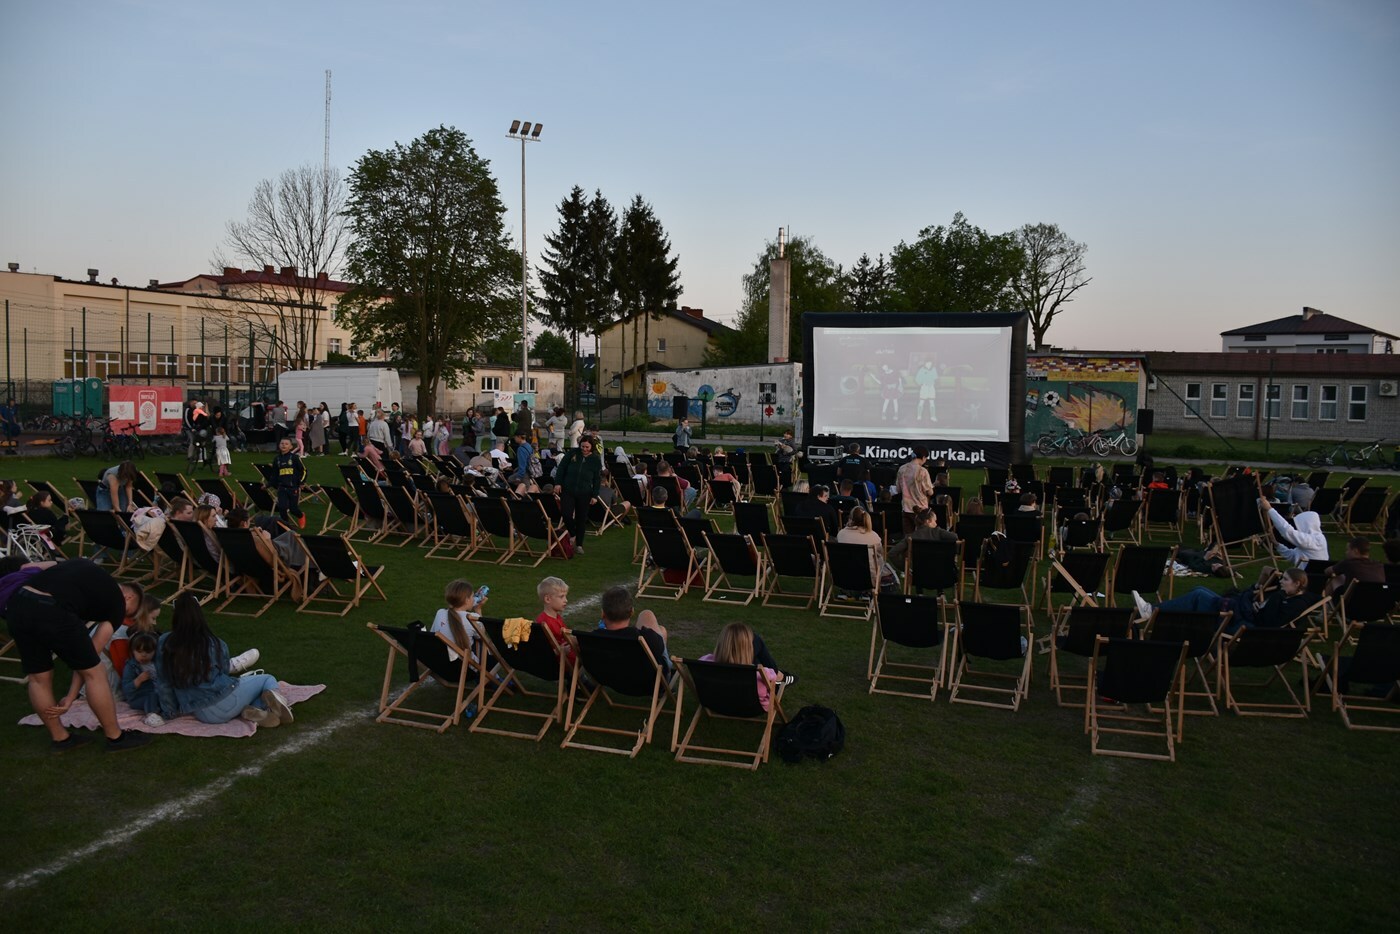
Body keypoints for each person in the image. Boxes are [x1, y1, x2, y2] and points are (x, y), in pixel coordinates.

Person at [6, 557, 151, 751]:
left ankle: (60, 739)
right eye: (129, 613)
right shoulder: (117, 604)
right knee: (95, 673)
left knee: (38, 678)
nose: (124, 617)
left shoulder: (82, 564)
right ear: (129, 598)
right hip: (52, 608)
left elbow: (31, 566)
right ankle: (116, 738)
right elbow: (91, 658)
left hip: (18, 603)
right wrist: (71, 695)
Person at [155, 594, 293, 727]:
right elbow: (224, 671)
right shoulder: (214, 643)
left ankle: (255, 711)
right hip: (227, 700)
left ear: (175, 616)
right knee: (267, 679)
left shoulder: (164, 643)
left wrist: (170, 712)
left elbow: (163, 683)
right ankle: (274, 703)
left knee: (252, 690)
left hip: (203, 714)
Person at [1134, 567, 1315, 634]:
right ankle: (1162, 614)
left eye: (1285, 580)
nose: (1281, 582)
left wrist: (1263, 605)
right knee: (1199, 589)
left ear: (1297, 584)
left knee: (1199, 596)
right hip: (1246, 617)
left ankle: (1152, 611)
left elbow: (1269, 621)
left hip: (1245, 628)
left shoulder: (1292, 603)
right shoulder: (1288, 597)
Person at [700, 622, 795, 710]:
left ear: (721, 643)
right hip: (752, 707)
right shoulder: (760, 672)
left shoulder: (704, 662)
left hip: (715, 702)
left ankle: (787, 678)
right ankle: (787, 678)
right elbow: (774, 674)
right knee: (778, 679)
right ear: (750, 648)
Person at [596, 585, 672, 675]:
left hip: (610, 678)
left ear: (602, 614)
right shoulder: (644, 637)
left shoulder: (592, 639)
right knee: (648, 616)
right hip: (647, 682)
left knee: (661, 630)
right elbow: (659, 650)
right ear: (632, 612)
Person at [555, 437, 602, 554]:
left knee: (581, 518)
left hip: (585, 493)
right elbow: (561, 468)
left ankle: (579, 544)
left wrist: (595, 495)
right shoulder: (572, 453)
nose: (584, 449)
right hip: (568, 489)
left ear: (591, 447)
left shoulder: (595, 460)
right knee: (565, 513)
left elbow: (597, 479)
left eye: (587, 447)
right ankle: (573, 533)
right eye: (582, 446)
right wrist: (558, 483)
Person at [1260, 495, 1328, 567]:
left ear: (1306, 524)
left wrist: (1270, 509)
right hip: (1304, 574)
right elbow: (1292, 556)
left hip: (1307, 576)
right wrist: (1277, 544)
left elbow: (1288, 532)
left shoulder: (1316, 540)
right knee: (1267, 569)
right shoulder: (1312, 540)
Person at [837, 505, 889, 592]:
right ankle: (868, 592)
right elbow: (881, 555)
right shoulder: (873, 537)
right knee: (880, 560)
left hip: (843, 577)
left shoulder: (841, 534)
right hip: (868, 579)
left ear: (850, 519)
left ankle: (846, 591)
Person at [431, 579, 485, 660]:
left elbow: (432, 633)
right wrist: (478, 610)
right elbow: (482, 636)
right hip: (466, 667)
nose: (474, 599)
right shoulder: (473, 618)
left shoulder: (440, 613)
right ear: (467, 600)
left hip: (439, 663)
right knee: (481, 645)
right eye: (472, 596)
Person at [121, 630, 166, 726]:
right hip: (139, 697)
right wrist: (138, 680)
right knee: (152, 696)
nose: (144, 655)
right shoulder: (131, 666)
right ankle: (151, 715)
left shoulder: (157, 663)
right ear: (133, 651)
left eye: (148, 651)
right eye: (139, 651)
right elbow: (126, 689)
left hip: (160, 693)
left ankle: (165, 710)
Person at [888, 506, 958, 565]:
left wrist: (905, 568)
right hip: (939, 569)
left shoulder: (910, 537)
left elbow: (892, 553)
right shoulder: (938, 532)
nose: (936, 524)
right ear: (928, 521)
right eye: (935, 521)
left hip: (918, 572)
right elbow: (954, 537)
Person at [896, 447, 935, 535]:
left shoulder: (902, 469)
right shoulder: (923, 471)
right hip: (921, 510)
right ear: (924, 457)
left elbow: (898, 489)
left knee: (908, 538)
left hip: (906, 508)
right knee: (922, 537)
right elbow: (930, 492)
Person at [535, 576, 575, 661]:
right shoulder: (544, 623)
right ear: (548, 599)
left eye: (565, 596)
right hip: (562, 665)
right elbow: (541, 651)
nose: (566, 600)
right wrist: (559, 651)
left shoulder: (556, 617)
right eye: (561, 597)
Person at [272, 437, 307, 529]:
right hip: (282, 488)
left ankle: (301, 515)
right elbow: (274, 475)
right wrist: (268, 485)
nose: (284, 445)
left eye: (286, 444)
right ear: (279, 445)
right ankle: (286, 526)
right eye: (282, 443)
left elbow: (304, 471)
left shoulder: (294, 458)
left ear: (291, 447)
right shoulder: (277, 459)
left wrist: (302, 482)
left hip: (293, 488)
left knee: (293, 509)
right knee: (282, 508)